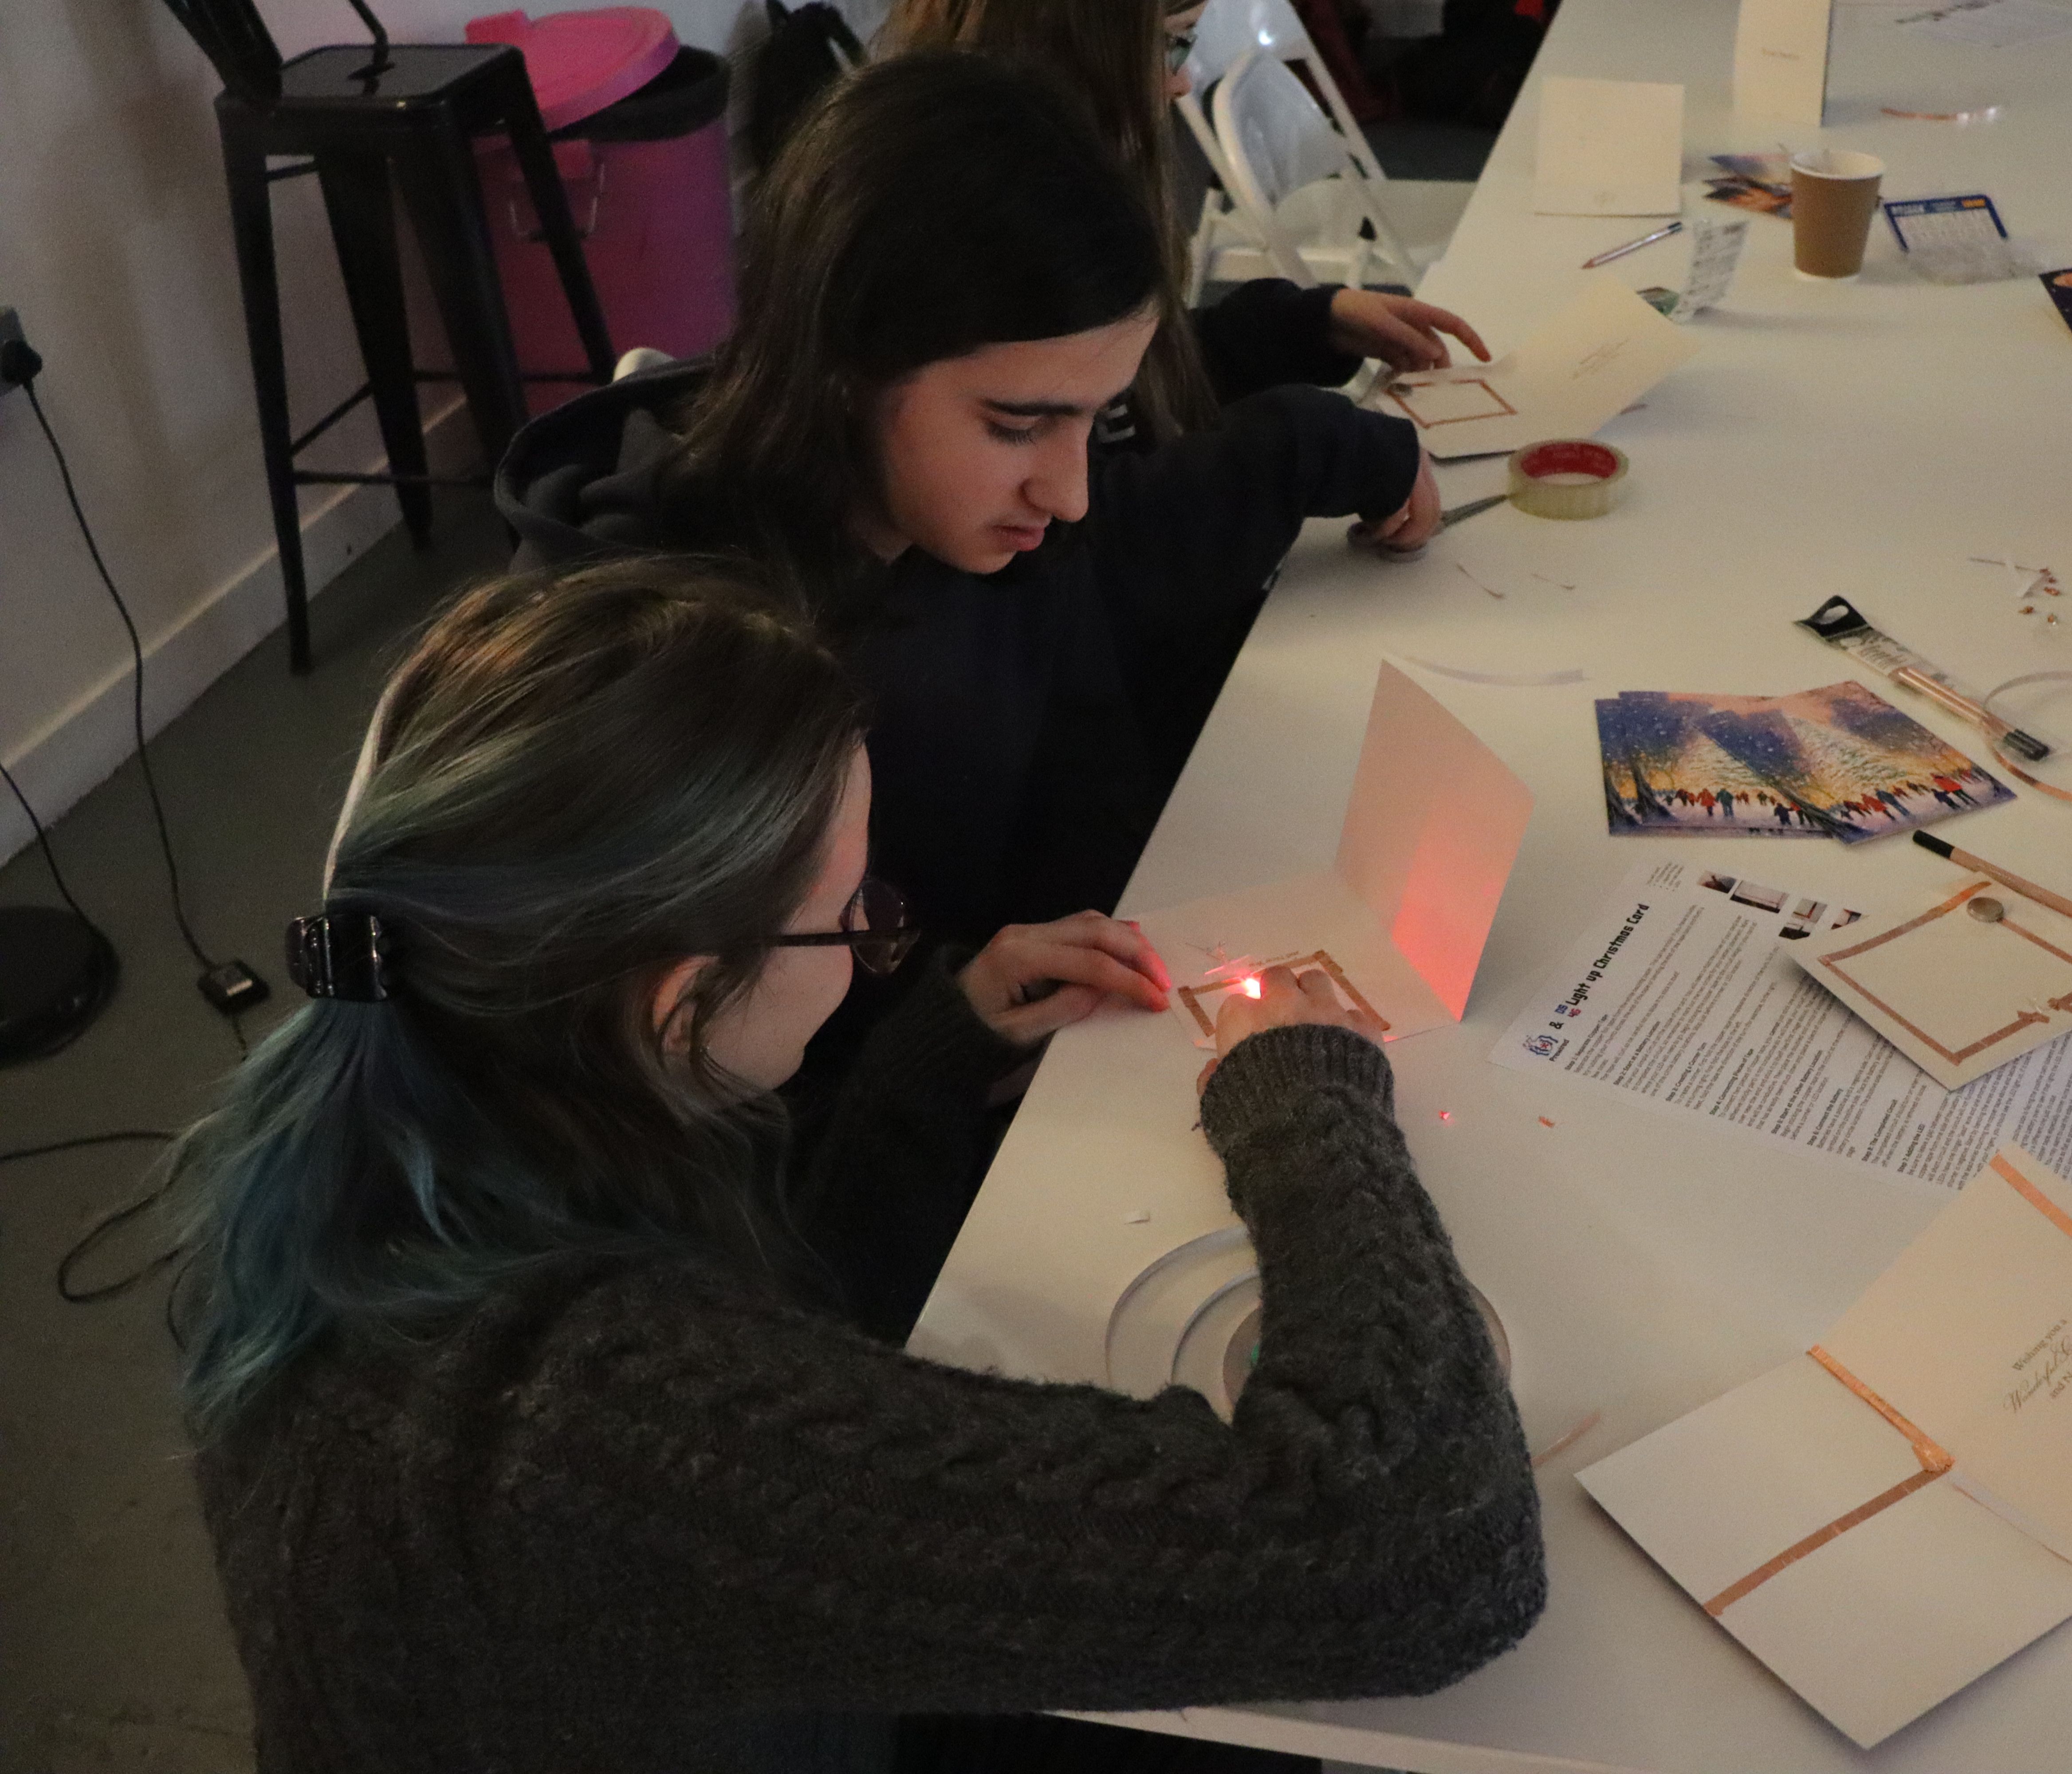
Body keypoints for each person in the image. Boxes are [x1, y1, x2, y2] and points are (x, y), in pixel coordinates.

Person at [180, 559, 1547, 1773]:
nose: (873, 940)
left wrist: (931, 1066)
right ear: (680, 1002)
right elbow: (1422, 1547)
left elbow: (769, 1355)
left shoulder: (362, 1124)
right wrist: (1304, 1099)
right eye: (851, 921)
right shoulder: (576, 1434)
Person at [497, 52, 1442, 951]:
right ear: (843, 361)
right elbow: (694, 1073)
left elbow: (1104, 590)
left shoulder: (960, 524)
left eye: (1094, 419)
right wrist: (948, 1038)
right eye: (1019, 424)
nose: (1069, 494)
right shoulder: (662, 675)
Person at [881, 0, 1490, 446]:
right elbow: (1085, 516)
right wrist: (1298, 450)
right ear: (1068, 43)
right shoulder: (995, 242)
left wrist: (1303, 325)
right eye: (1171, 44)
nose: (1181, 81)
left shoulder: (1034, 184)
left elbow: (1131, 388)